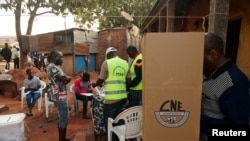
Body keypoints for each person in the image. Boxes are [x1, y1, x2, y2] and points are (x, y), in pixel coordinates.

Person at [200, 33, 250, 141]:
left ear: (213, 54)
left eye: (199, 59)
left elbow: (239, 132)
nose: (197, 63)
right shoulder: (213, 74)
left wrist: (198, 121)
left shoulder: (233, 83)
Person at [94, 47, 129, 141]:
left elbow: (100, 80)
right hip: (123, 98)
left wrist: (96, 84)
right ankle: (118, 138)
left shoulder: (107, 63)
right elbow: (129, 80)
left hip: (111, 99)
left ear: (107, 55)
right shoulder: (125, 62)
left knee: (109, 121)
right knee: (119, 119)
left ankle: (112, 138)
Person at [46, 50, 71, 141]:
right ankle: (61, 139)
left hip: (61, 95)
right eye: (61, 57)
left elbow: (66, 78)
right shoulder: (52, 67)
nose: (62, 59)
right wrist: (67, 78)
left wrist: (67, 78)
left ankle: (63, 138)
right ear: (56, 57)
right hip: (59, 96)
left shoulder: (56, 67)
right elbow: (64, 78)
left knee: (63, 117)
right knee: (63, 118)